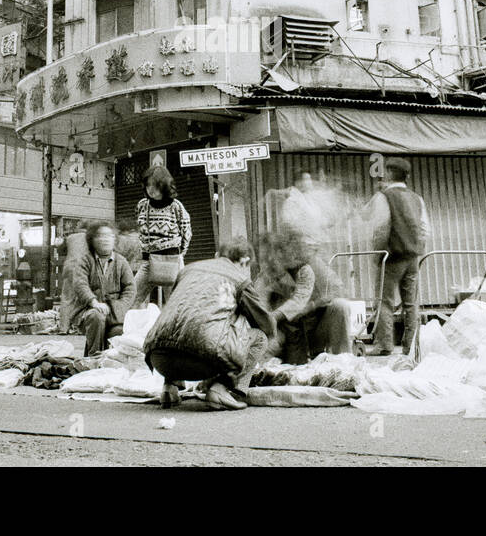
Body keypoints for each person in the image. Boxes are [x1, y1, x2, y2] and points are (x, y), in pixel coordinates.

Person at [144, 237, 275, 411]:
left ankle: (170, 388)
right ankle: (222, 389)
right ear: (245, 262)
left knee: (182, 320)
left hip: (159, 358)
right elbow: (265, 324)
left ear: (217, 255)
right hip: (201, 361)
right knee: (259, 338)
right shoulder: (239, 278)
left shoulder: (188, 270)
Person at [361, 157, 428, 356]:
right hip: (412, 257)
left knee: (385, 301)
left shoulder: (384, 196)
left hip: (391, 257)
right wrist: (416, 248)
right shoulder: (417, 198)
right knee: (411, 303)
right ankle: (411, 346)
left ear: (389, 173)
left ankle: (384, 345)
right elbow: (425, 228)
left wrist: (378, 254)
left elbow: (378, 224)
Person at [256, 231, 352, 364]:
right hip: (284, 332)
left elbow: (338, 290)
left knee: (340, 306)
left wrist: (313, 305)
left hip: (313, 328)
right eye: (264, 258)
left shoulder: (308, 268)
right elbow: (259, 305)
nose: (268, 261)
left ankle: (344, 362)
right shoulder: (265, 277)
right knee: (264, 348)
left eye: (271, 255)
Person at [62, 222, 135, 356]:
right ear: (92, 240)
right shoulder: (84, 261)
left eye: (109, 236)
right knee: (96, 317)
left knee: (119, 331)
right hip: (88, 310)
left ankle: (112, 362)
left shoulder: (121, 262)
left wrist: (119, 307)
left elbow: (130, 288)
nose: (105, 239)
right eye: (100, 236)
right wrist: (94, 303)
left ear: (115, 239)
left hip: (114, 313)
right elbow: (80, 284)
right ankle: (93, 357)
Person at [132, 165, 192, 306]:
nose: (150, 189)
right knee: (131, 298)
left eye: (154, 185)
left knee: (175, 304)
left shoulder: (176, 206)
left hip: (172, 260)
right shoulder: (142, 205)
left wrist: (179, 254)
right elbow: (139, 229)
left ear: (164, 185)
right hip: (148, 261)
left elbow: (186, 232)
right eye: (147, 185)